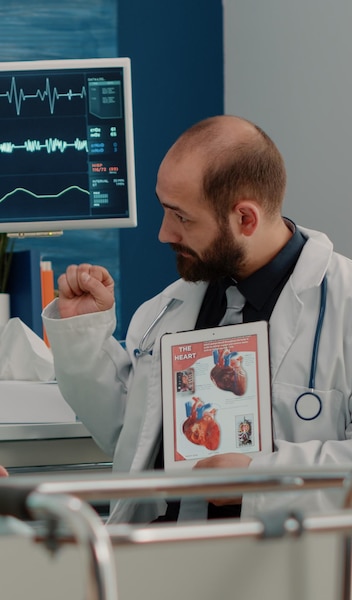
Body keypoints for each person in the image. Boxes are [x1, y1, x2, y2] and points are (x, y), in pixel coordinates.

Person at [42, 115, 352, 523]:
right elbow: (128, 438)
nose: (164, 233)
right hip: (163, 560)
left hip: (281, 570)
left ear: (245, 219)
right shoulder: (167, 309)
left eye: (182, 217)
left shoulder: (343, 304)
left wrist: (263, 478)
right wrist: (85, 336)